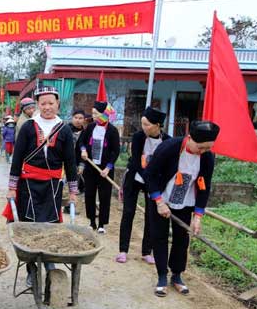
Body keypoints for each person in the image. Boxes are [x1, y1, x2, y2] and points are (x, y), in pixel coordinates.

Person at [3, 86, 78, 287]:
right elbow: (17, 159)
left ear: (57, 104)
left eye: (50, 103)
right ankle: (31, 269)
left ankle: (50, 262)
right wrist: (12, 187)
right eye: (43, 103)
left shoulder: (64, 129)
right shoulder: (28, 126)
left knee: (51, 224)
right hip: (28, 185)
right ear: (37, 105)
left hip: (52, 186)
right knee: (30, 226)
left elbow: (70, 163)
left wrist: (72, 192)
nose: (47, 107)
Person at [144, 120, 219, 297]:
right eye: (200, 147)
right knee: (160, 237)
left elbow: (204, 186)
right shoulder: (169, 148)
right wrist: (159, 201)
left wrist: (198, 215)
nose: (203, 152)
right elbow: (150, 174)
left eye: (207, 148)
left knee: (181, 239)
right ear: (190, 138)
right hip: (162, 197)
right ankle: (162, 276)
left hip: (185, 201)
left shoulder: (207, 157)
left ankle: (176, 275)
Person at [117, 107, 170, 264]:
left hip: (153, 183)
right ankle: (123, 250)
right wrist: (148, 178)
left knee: (151, 215)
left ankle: (147, 251)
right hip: (135, 177)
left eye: (147, 125)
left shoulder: (167, 140)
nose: (144, 127)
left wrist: (154, 183)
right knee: (128, 212)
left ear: (158, 125)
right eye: (142, 124)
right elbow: (135, 161)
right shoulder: (139, 137)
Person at [77, 101, 120, 234]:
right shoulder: (90, 127)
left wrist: (108, 168)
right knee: (89, 194)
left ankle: (101, 224)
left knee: (104, 196)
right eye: (93, 113)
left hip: (105, 170)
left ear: (104, 115)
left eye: (96, 113)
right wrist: (83, 150)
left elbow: (115, 151)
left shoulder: (112, 130)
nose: (93, 116)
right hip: (91, 167)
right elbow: (81, 142)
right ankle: (92, 222)